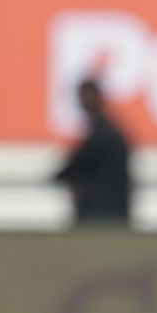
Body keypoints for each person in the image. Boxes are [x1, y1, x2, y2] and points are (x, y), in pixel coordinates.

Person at [54, 78, 132, 225]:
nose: (83, 101)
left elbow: (76, 165)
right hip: (110, 212)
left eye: (85, 96)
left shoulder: (103, 135)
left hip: (101, 214)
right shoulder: (104, 132)